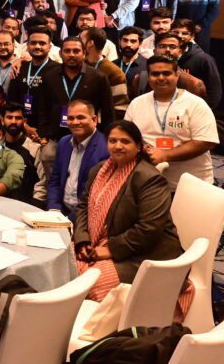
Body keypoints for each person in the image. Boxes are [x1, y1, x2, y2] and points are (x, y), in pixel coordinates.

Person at [73, 120, 187, 305]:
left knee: (91, 283)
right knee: (64, 263)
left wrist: (110, 249)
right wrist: (83, 240)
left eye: (125, 141)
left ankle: (101, 322)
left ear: (139, 146)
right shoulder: (99, 170)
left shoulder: (149, 179)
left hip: (146, 254)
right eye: (113, 141)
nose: (118, 146)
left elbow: (149, 228)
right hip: (104, 240)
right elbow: (83, 206)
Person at [124, 55, 219, 190]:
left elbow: (206, 142)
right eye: (155, 74)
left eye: (166, 73)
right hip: (148, 182)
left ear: (177, 74)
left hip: (190, 184)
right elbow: (127, 135)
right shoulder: (137, 103)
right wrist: (142, 148)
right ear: (148, 77)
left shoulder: (195, 104)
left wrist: (165, 155)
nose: (161, 78)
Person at [46, 99, 109, 218]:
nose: (75, 122)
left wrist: (69, 220)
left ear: (94, 120)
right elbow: (55, 180)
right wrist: (54, 209)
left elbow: (97, 197)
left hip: (86, 217)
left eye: (81, 117)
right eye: (70, 118)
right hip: (60, 212)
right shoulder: (64, 142)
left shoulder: (105, 149)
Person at [171, 19, 223, 108]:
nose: (179, 36)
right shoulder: (164, 56)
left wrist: (203, 110)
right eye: (175, 32)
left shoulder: (204, 59)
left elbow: (214, 93)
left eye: (185, 33)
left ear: (192, 37)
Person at [80, 27, 130, 112]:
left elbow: (120, 107)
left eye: (80, 39)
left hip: (101, 119)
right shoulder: (78, 66)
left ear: (90, 43)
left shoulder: (115, 72)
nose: (77, 42)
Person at [1, 103, 40, 204]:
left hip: (26, 203)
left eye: (18, 118)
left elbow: (42, 183)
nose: (13, 122)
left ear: (24, 121)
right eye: (9, 117)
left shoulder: (35, 148)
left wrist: (35, 204)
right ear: (2, 120)